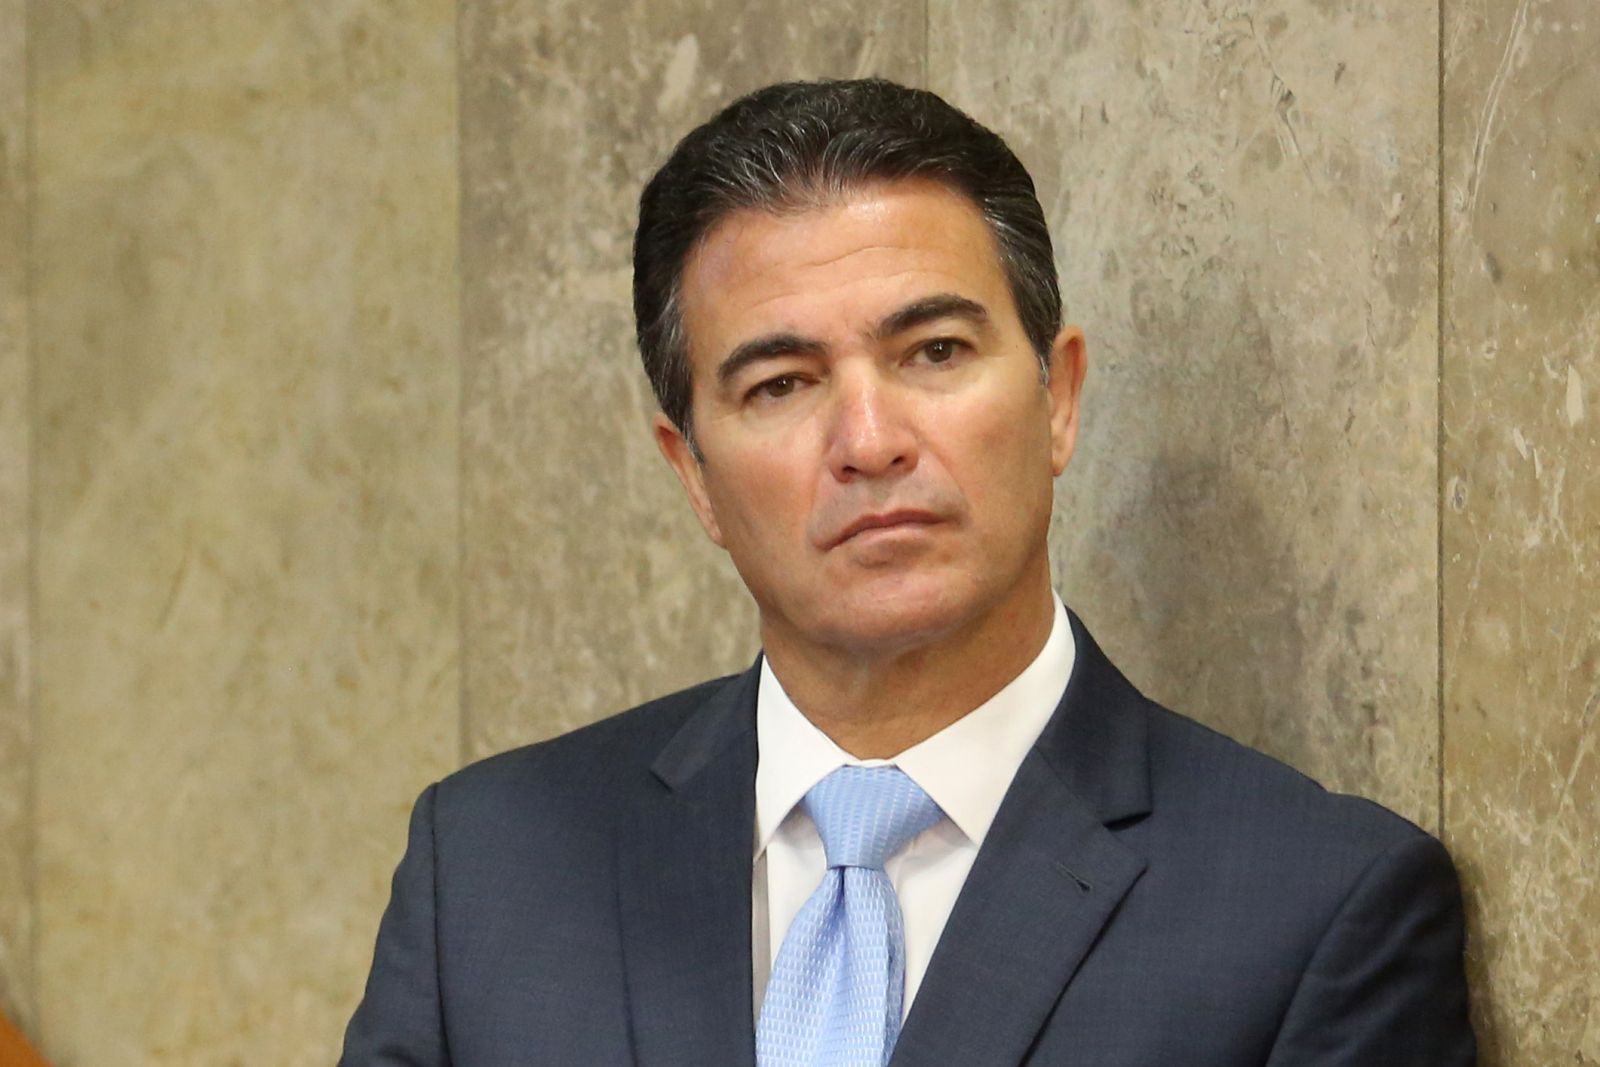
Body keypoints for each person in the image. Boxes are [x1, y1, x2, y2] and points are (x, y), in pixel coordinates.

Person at [341, 78, 1475, 1066]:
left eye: (934, 351)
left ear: (1058, 397)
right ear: (692, 474)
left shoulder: (1315, 906)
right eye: (781, 384)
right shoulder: (487, 868)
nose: (870, 441)